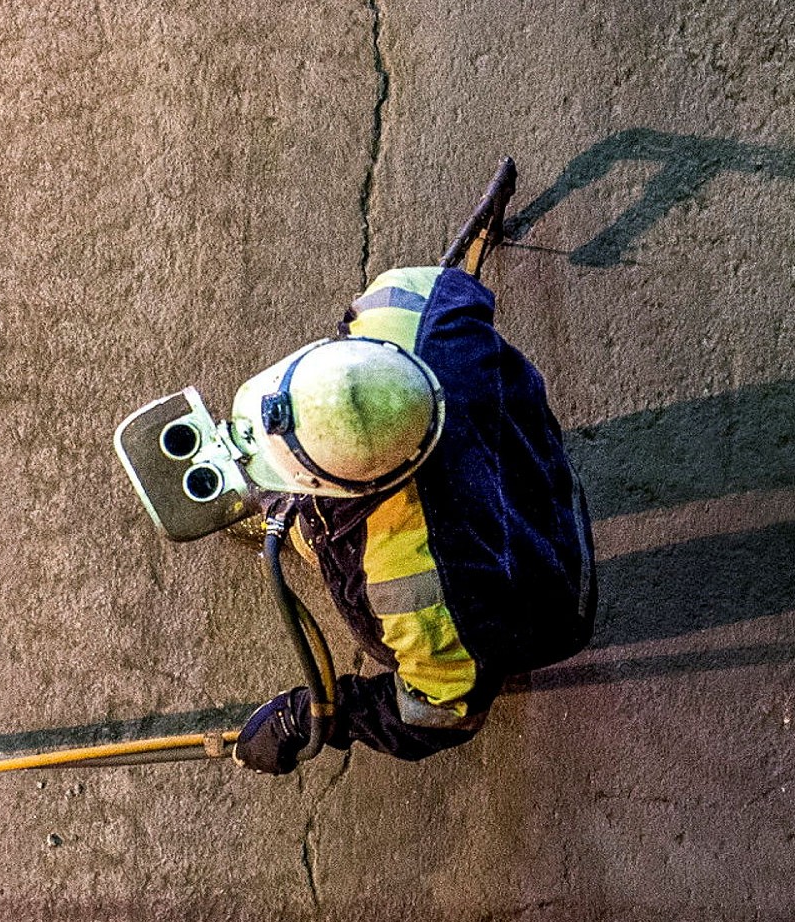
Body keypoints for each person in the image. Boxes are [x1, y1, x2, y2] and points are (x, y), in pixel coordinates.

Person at [230, 263, 596, 774]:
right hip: (536, 468)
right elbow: (461, 286)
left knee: (430, 642)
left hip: (547, 601)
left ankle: (312, 529)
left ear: (362, 486)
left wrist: (317, 716)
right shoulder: (406, 307)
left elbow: (433, 717)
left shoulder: (414, 589)